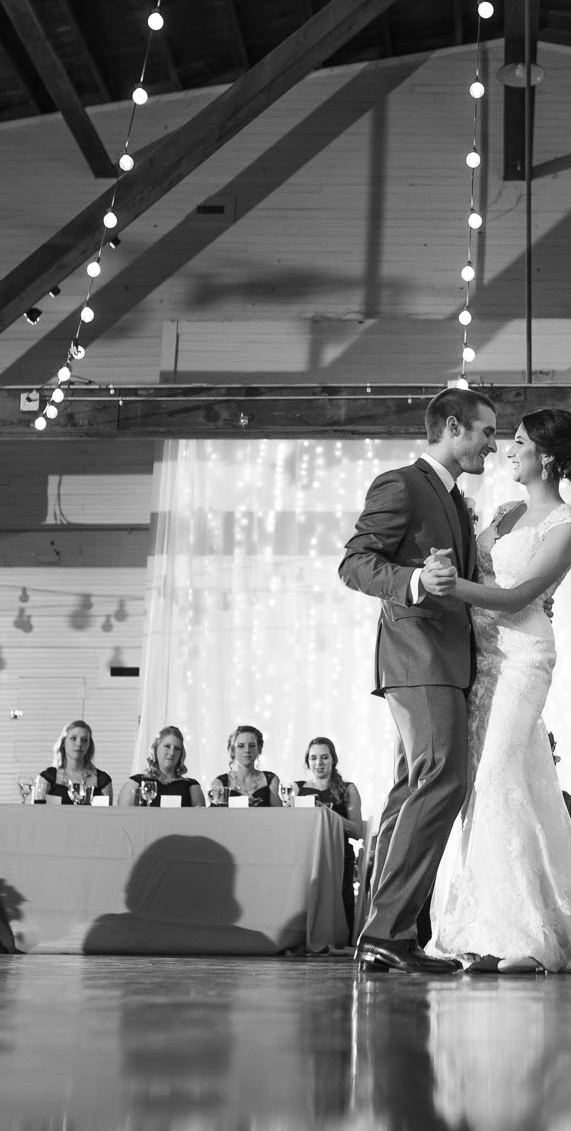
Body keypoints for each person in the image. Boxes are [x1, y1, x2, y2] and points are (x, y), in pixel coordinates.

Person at [422, 408, 571, 974]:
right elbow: (475, 563)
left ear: (547, 456)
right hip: (481, 658)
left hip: (523, 656)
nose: (508, 449)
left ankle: (513, 936)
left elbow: (518, 597)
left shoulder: (566, 527)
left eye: (518, 441)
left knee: (498, 779)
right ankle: (486, 924)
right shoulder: (507, 512)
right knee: (491, 785)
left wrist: (449, 586)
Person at [339, 386, 496, 975]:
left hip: (446, 662)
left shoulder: (456, 500)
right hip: (417, 657)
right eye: (485, 430)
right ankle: (388, 931)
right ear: (453, 428)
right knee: (443, 781)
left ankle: (382, 935)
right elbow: (354, 562)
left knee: (413, 792)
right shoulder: (401, 484)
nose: (492, 443)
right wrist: (411, 582)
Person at [296, 736, 366, 929]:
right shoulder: (297, 789)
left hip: (339, 854)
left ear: (333, 759)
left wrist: (328, 814)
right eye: (313, 758)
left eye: (324, 757)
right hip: (306, 855)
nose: (319, 763)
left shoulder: (348, 789)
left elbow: (357, 831)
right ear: (307, 761)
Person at [33, 719, 113, 805]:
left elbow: (107, 816)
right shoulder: (47, 778)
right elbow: (37, 813)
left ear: (89, 745)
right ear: (63, 743)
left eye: (84, 740)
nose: (79, 744)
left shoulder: (102, 780)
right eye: (73, 738)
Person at [124, 726, 206, 807]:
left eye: (177, 748)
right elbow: (124, 817)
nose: (172, 753)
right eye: (167, 746)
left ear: (181, 754)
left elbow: (200, 818)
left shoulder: (192, 787)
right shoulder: (135, 783)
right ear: (155, 749)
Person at [208, 725, 283, 807]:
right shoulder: (219, 783)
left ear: (259, 749)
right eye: (241, 746)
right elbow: (214, 816)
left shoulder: (270, 779)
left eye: (252, 745)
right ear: (232, 750)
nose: (247, 750)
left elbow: (279, 814)